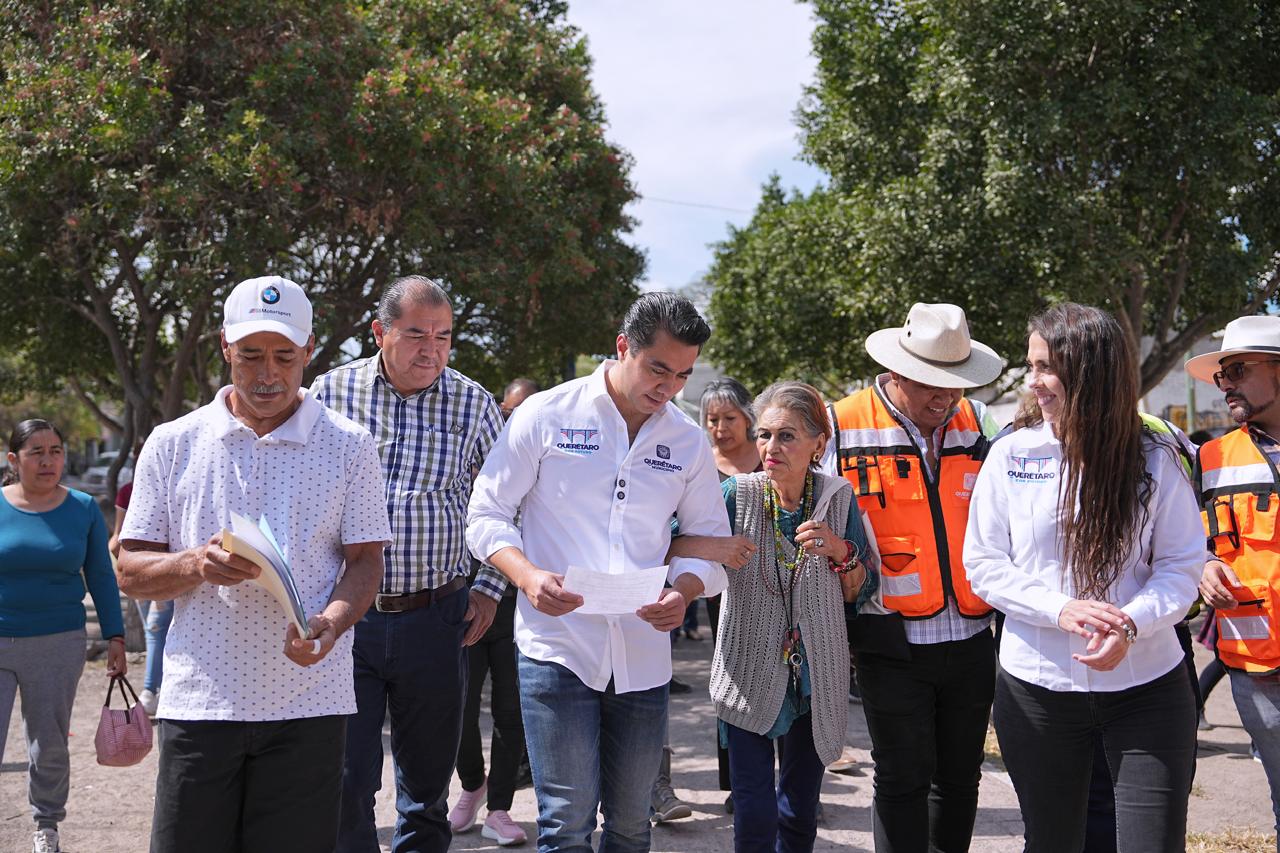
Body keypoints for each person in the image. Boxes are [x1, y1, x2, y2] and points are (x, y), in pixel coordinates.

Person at [117, 276, 392, 853]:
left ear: (310, 351)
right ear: (224, 347)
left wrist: (332, 624)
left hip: (309, 703)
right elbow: (130, 567)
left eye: (284, 356)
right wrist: (194, 564)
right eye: (251, 356)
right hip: (200, 703)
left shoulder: (350, 445)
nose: (267, 373)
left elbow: (366, 564)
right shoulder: (173, 443)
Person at [467, 291, 730, 852]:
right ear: (621, 347)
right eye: (658, 368)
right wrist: (527, 576)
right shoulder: (547, 414)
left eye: (682, 376)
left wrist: (683, 592)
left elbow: (708, 545)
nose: (667, 388)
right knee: (566, 826)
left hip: (643, 657)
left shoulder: (686, 440)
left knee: (633, 827)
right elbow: (485, 513)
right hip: (556, 648)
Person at [964, 303, 1202, 852]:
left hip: (1149, 692)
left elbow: (1181, 566)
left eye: (1045, 366)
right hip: (1036, 693)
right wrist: (1059, 609)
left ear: (1088, 368)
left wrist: (1132, 624)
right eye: (1032, 365)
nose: (1033, 381)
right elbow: (983, 563)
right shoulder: (1010, 456)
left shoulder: (1155, 457)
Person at [311, 275, 506, 853]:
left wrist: (491, 586)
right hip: (349, 621)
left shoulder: (472, 403)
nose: (432, 349)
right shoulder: (329, 394)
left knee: (425, 790)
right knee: (347, 779)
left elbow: (509, 501)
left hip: (436, 616)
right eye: (416, 334)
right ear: (379, 332)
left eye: (443, 337)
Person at [822, 302, 1002, 853]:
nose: (945, 398)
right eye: (931, 384)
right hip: (887, 636)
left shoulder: (978, 424)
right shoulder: (841, 423)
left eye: (956, 384)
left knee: (960, 780)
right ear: (897, 370)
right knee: (901, 777)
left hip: (972, 636)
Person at [711, 381, 876, 852]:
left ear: (818, 443)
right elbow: (677, 541)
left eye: (786, 436)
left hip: (814, 677)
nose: (770, 447)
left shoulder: (839, 498)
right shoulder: (736, 495)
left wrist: (841, 550)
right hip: (746, 669)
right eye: (763, 435)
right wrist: (717, 548)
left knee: (800, 810)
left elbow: (866, 586)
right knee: (754, 810)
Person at [0, 418, 127, 853]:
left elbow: (101, 577)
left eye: (56, 450)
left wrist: (116, 636)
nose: (49, 460)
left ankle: (46, 826)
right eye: (37, 452)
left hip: (58, 642)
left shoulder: (82, 508)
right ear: (14, 460)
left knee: (48, 742)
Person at [1187, 314, 1280, 846]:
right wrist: (1202, 564)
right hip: (1257, 663)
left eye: (1238, 370)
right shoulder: (1211, 458)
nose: (1226, 385)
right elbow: (1181, 542)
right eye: (1223, 375)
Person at [448, 377, 540, 847]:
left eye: (521, 413)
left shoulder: (543, 463)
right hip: (462, 601)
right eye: (506, 411)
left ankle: (500, 807)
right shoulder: (472, 461)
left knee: (511, 710)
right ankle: (471, 786)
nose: (509, 421)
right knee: (458, 709)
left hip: (518, 609)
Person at [108, 479, 171, 715]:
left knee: (153, 631)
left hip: (139, 571)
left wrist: (130, 568)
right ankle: (151, 691)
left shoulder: (127, 490)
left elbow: (116, 542)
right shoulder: (165, 485)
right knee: (156, 632)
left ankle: (152, 691)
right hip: (161, 570)